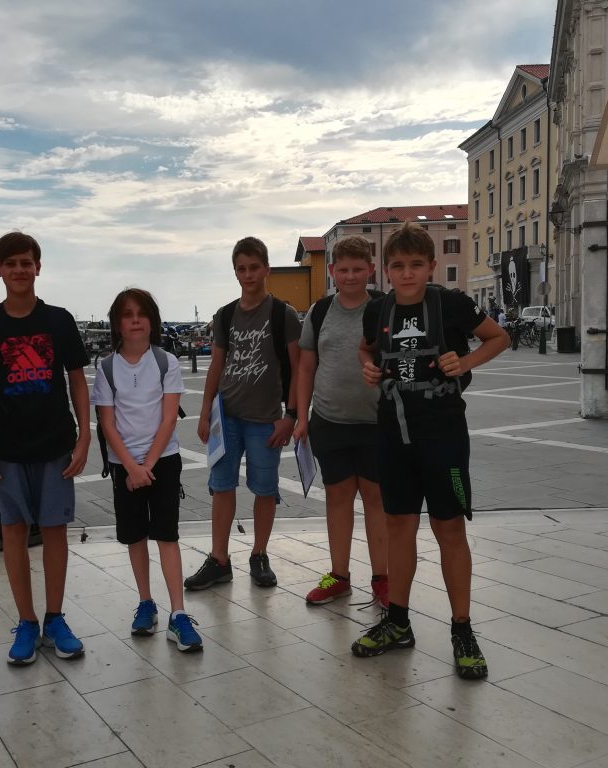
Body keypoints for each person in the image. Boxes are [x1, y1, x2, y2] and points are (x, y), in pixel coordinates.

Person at [355, 222, 509, 679]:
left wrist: (465, 361)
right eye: (398, 266)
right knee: (398, 526)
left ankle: (462, 629)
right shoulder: (377, 309)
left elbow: (499, 337)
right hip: (393, 433)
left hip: (443, 434)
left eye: (416, 265)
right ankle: (398, 622)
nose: (407, 274)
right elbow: (365, 349)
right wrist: (368, 367)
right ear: (385, 270)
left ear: (432, 267)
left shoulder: (452, 304)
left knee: (449, 528)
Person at [0, 231, 91, 666]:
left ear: (38, 267)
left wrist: (85, 435)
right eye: (11, 263)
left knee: (54, 529)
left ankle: (55, 619)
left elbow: (77, 380)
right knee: (13, 531)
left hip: (54, 442)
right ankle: (26, 622)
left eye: (26, 262)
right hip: (5, 445)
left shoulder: (59, 321)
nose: (19, 269)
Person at [185, 236, 301, 590]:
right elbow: (216, 366)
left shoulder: (283, 315)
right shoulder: (225, 315)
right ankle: (219, 559)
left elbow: (297, 369)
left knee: (265, 490)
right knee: (221, 487)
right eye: (241, 269)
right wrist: (204, 413)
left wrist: (291, 416)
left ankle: (259, 554)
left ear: (267, 269)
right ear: (235, 272)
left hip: (265, 418)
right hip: (227, 417)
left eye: (254, 268)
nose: (248, 275)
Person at [92, 288, 203, 652]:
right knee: (135, 535)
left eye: (141, 314)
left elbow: (169, 417)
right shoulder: (106, 367)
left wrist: (148, 465)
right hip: (124, 464)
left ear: (152, 321)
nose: (135, 320)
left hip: (162, 461)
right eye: (127, 314)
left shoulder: (165, 362)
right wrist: (130, 466)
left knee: (167, 535)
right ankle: (145, 602)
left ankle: (179, 614)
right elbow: (107, 423)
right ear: (117, 324)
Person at [293, 236, 388, 607]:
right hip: (329, 420)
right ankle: (340, 575)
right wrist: (301, 417)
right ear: (332, 271)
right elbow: (305, 367)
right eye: (343, 269)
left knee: (376, 500)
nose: (350, 276)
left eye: (357, 269)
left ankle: (382, 578)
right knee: (337, 499)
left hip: (376, 422)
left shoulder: (384, 308)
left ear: (371, 269)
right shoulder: (320, 312)